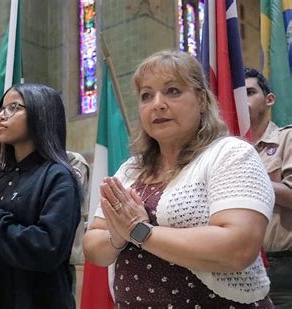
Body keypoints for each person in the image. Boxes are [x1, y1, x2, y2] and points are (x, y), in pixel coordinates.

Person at [82, 50, 275, 308]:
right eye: (146, 96)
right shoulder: (131, 170)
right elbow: (94, 246)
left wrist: (138, 231)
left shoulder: (230, 154)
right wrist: (118, 236)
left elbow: (237, 248)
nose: (157, 104)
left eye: (172, 91)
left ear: (202, 99)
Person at [0, 83, 81, 308]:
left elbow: (47, 249)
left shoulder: (58, 176)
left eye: (13, 107)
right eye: (1, 110)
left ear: (40, 114)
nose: (2, 116)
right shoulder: (4, 177)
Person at [245, 67, 292, 308]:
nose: (243, 100)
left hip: (283, 268)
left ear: (269, 99)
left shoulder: (287, 139)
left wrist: (249, 177)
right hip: (240, 267)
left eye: (250, 92)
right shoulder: (225, 151)